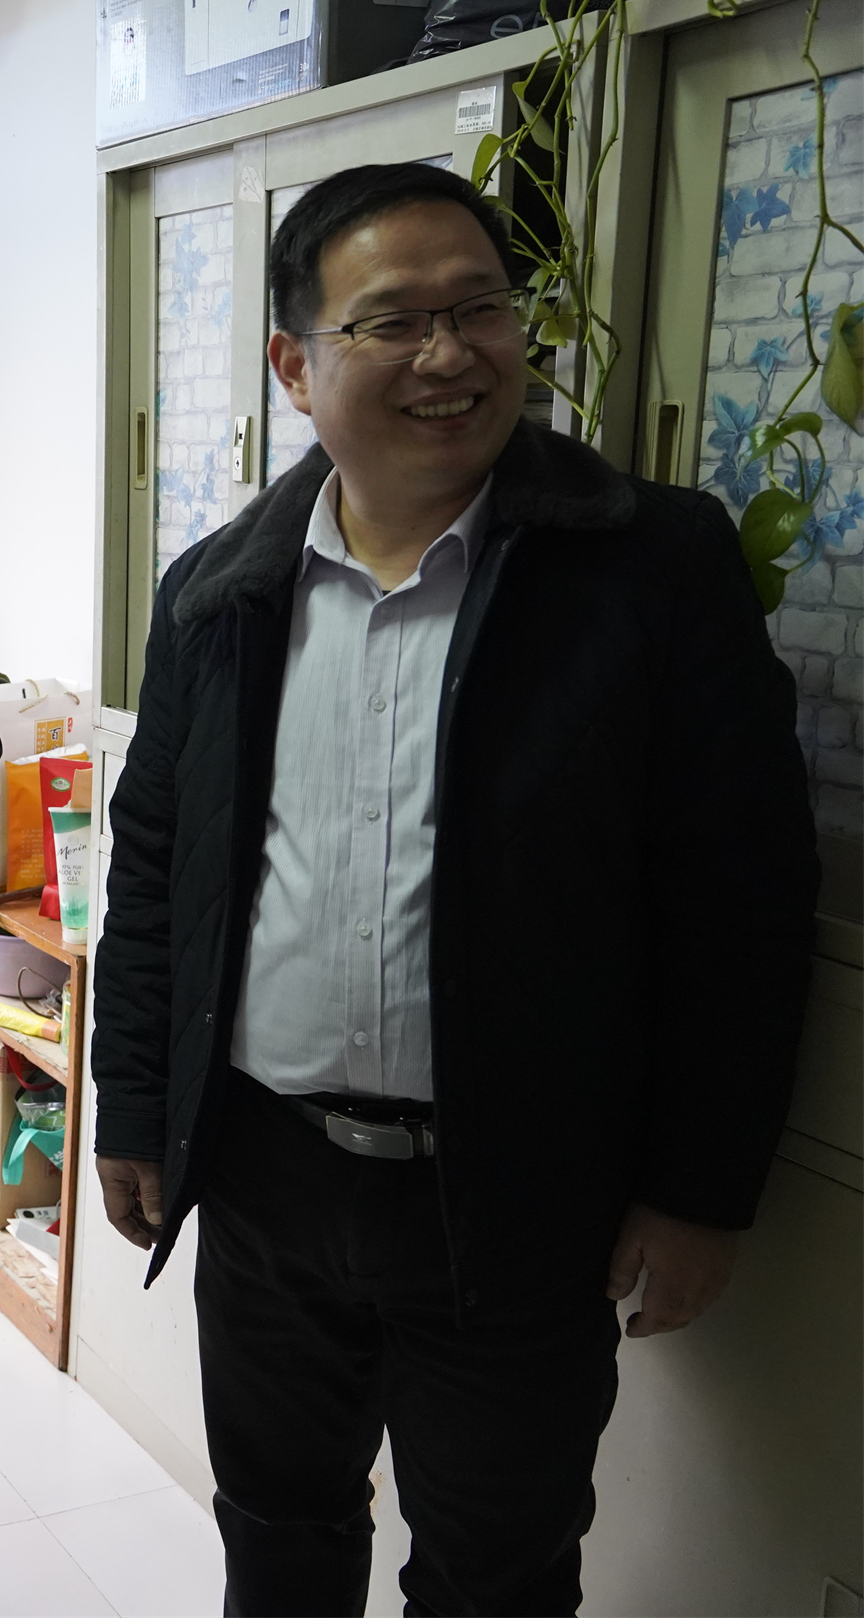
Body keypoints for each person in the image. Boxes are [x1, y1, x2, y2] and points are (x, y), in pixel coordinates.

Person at [89, 162, 818, 1615]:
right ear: (295, 364)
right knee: (277, 1530)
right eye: (393, 321)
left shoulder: (646, 566)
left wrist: (698, 1189)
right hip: (268, 1172)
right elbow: (159, 859)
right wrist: (132, 1102)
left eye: (480, 309)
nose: (449, 354)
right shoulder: (221, 589)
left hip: (516, 1190)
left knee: (497, 1572)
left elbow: (738, 897)